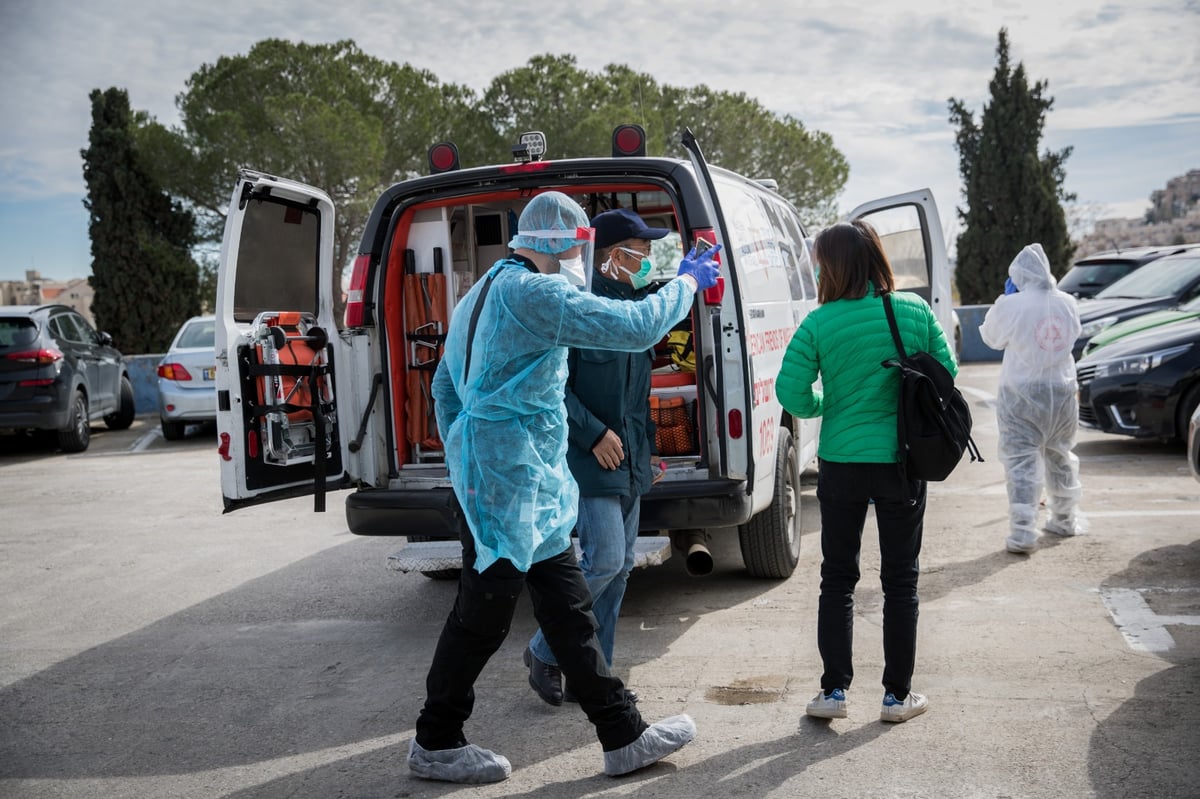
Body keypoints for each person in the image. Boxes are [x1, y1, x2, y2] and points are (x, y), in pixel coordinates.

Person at [408, 191, 721, 784]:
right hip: (506, 488)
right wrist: (684, 283)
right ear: (570, 243)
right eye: (584, 244)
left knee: (570, 612)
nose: (585, 255)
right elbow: (634, 328)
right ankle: (436, 740)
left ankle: (622, 735)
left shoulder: (483, 289)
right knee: (482, 617)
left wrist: (467, 455)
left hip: (514, 483)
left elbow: (446, 387)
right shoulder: (536, 293)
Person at [776, 220, 954, 724]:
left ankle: (833, 692)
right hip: (901, 461)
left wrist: (827, 402)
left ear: (830, 267)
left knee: (838, 578)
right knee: (901, 581)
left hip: (842, 462)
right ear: (876, 258)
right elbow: (948, 372)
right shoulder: (915, 310)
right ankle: (898, 698)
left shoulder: (819, 323)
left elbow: (790, 393)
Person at [524, 208, 671, 707]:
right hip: (588, 458)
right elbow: (553, 388)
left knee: (622, 565)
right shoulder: (580, 306)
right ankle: (543, 649)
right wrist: (591, 435)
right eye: (643, 252)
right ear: (614, 255)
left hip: (628, 460)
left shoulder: (636, 309)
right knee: (605, 557)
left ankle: (596, 674)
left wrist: (646, 451)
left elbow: (636, 397)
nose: (649, 261)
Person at [979, 243, 1085, 554]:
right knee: (1060, 454)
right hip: (1062, 391)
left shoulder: (1012, 304)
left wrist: (1007, 302)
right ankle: (1065, 519)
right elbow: (1073, 335)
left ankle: (1023, 534)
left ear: (1017, 276)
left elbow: (991, 337)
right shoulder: (1067, 302)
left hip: (1022, 393)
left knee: (1021, 461)